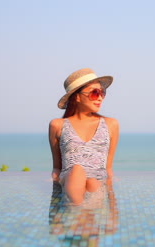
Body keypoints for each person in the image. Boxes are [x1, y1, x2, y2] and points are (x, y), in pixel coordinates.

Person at [49, 68, 119, 206]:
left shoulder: (111, 124)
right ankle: (80, 213)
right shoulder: (57, 125)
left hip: (97, 184)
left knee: (92, 182)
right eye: (94, 93)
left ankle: (82, 215)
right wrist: (54, 204)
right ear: (77, 96)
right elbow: (57, 167)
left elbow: (108, 168)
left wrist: (113, 210)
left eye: (102, 92)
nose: (100, 97)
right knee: (77, 171)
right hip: (70, 182)